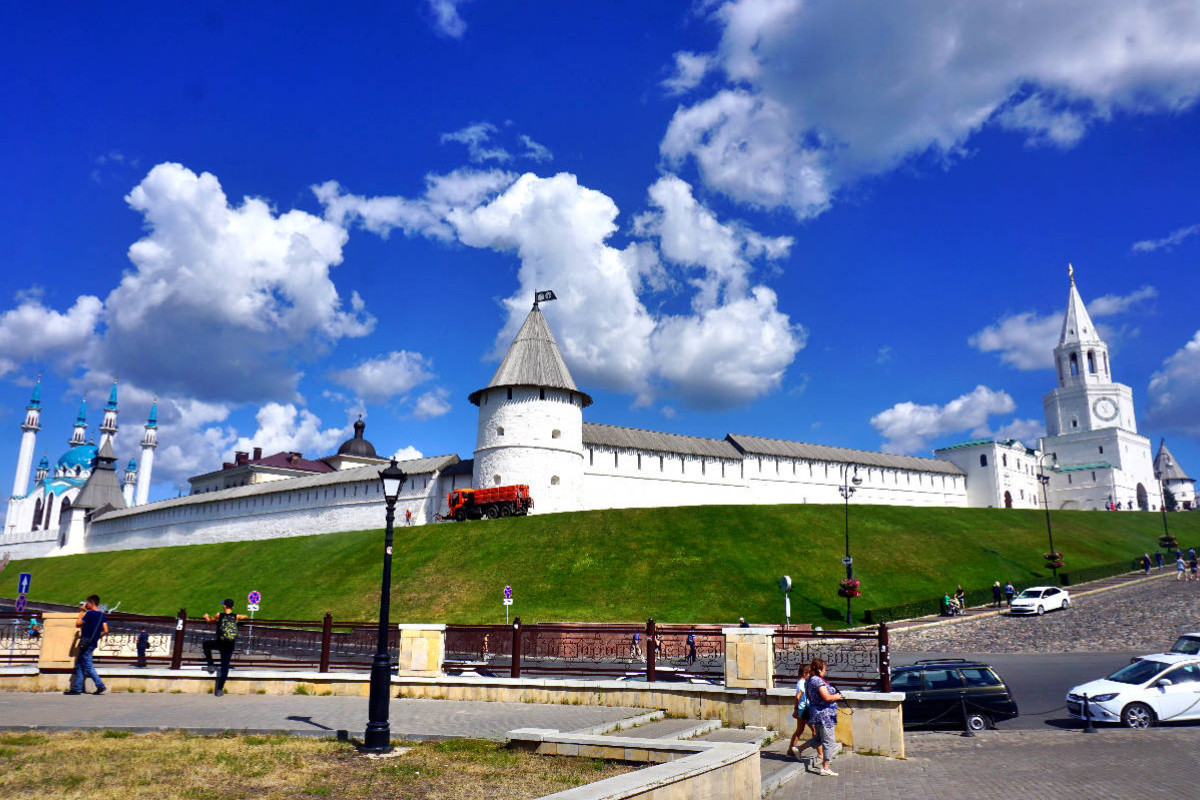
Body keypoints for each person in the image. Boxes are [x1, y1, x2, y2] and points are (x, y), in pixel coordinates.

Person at [803, 658, 844, 777]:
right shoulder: (817, 681)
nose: (825, 671)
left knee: (820, 738)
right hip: (824, 715)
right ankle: (826, 767)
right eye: (824, 669)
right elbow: (826, 697)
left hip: (817, 713)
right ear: (820, 668)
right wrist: (836, 696)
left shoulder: (809, 679)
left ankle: (799, 749)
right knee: (829, 741)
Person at [202, 599, 249, 697]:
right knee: (225, 666)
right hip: (230, 644)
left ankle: (210, 664)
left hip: (220, 643)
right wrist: (240, 618)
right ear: (233, 607)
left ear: (224, 606)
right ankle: (219, 689)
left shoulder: (219, 615)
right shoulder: (236, 617)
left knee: (206, 645)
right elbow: (246, 616)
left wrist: (206, 617)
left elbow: (209, 621)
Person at [65, 595, 107, 696]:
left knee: (88, 666)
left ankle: (100, 685)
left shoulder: (89, 614)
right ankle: (77, 688)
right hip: (92, 643)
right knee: (79, 665)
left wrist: (82, 611)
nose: (85, 604)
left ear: (91, 603)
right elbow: (106, 630)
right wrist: (97, 636)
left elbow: (78, 623)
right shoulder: (102, 615)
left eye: (87, 602)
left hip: (85, 643)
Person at [787, 664, 814, 759]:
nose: (811, 675)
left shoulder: (802, 682)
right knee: (815, 730)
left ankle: (790, 750)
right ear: (805, 673)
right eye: (810, 673)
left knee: (799, 730)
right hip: (804, 710)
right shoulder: (802, 683)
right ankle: (820, 753)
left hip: (802, 709)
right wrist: (795, 709)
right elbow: (798, 697)